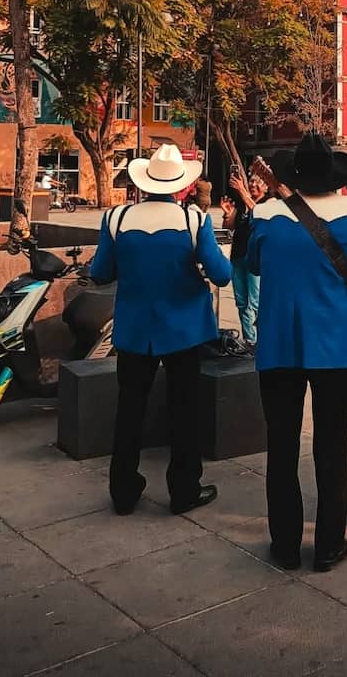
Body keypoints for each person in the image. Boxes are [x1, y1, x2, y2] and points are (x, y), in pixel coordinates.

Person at [248, 133, 347, 573]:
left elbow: (254, 263)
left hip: (279, 342)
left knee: (281, 445)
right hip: (334, 343)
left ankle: (285, 545)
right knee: (332, 443)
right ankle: (329, 544)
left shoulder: (265, 213)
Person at [90, 143, 231, 516]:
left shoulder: (116, 218)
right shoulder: (193, 221)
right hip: (184, 331)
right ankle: (184, 490)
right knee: (185, 411)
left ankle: (123, 491)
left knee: (129, 409)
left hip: (134, 329)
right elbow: (221, 274)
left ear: (145, 182)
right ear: (181, 186)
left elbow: (100, 272)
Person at [220, 167, 271, 350]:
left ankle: (259, 341)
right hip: (238, 255)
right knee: (241, 301)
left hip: (255, 258)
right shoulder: (242, 203)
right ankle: (249, 340)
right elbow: (229, 226)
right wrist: (227, 213)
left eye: (258, 182)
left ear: (266, 187)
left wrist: (242, 191)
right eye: (251, 182)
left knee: (254, 302)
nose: (253, 185)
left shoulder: (269, 203)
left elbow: (260, 215)